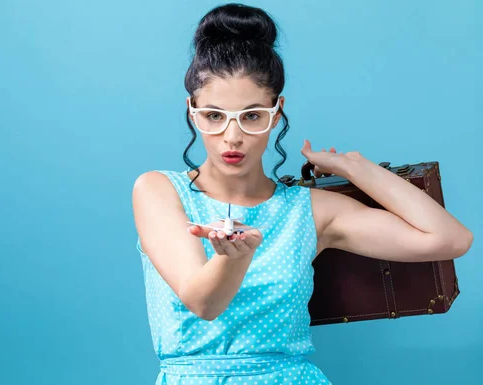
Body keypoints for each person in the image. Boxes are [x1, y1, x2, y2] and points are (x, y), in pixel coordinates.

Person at [131, 3, 473, 384]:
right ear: (192, 111)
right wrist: (233, 258)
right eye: (214, 116)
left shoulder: (310, 211)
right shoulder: (160, 191)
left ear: (276, 113)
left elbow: (451, 239)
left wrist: (356, 168)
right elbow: (203, 302)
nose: (233, 136)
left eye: (252, 115)